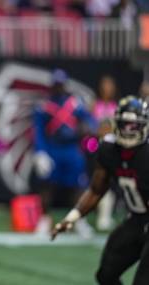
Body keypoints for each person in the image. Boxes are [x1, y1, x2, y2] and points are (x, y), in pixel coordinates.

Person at [52, 95, 149, 285]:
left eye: (134, 125)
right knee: (106, 274)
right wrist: (72, 217)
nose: (129, 130)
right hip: (136, 219)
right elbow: (97, 190)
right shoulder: (109, 148)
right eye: (125, 124)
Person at [33, 68, 97, 238]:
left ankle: (78, 220)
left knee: (78, 186)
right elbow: (38, 131)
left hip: (72, 149)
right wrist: (40, 153)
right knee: (47, 186)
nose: (58, 88)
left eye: (61, 85)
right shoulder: (44, 106)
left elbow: (90, 120)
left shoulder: (74, 103)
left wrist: (89, 128)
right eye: (56, 85)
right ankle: (45, 219)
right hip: (53, 148)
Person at [92, 75, 118, 231]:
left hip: (113, 149)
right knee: (98, 181)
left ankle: (106, 215)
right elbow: (92, 127)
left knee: (112, 182)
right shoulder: (94, 105)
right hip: (98, 148)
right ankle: (96, 214)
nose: (108, 88)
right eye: (105, 85)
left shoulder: (117, 106)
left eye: (110, 85)